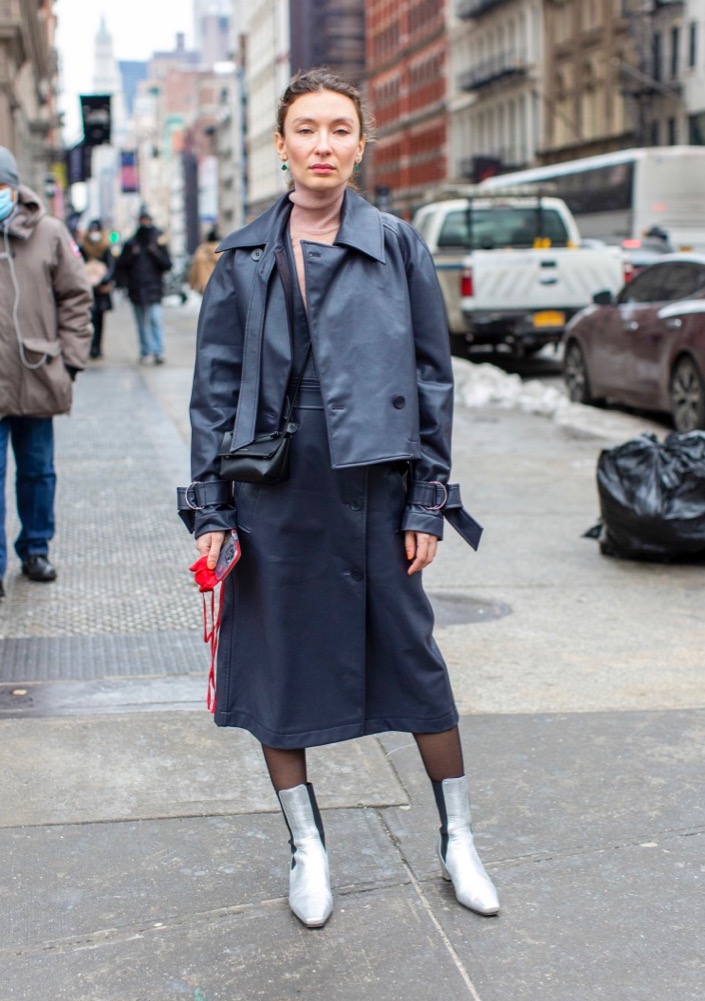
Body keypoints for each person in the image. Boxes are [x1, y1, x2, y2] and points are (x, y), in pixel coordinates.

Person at [178, 68, 499, 928]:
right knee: (275, 665)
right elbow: (212, 397)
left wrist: (427, 502)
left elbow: (433, 381)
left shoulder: (396, 243)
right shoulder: (244, 256)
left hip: (375, 483)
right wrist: (211, 512)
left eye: (339, 129)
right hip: (270, 491)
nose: (323, 145)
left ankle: (458, 837)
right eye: (306, 130)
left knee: (415, 661)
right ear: (279, 144)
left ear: (362, 143)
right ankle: (306, 846)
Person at [0, 146, 92, 595]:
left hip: (37, 374)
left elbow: (76, 298)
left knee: (38, 471)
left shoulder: (49, 232)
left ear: (14, 187)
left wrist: (71, 360)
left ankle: (36, 549)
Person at [115, 208, 171, 364]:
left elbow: (167, 264)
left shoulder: (158, 242)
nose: (145, 223)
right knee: (141, 322)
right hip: (136, 289)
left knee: (155, 319)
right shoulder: (131, 244)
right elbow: (121, 266)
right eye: (142, 220)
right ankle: (145, 350)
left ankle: (158, 350)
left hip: (154, 288)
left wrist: (156, 254)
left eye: (147, 220)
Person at [80, 219, 115, 359]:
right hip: (87, 288)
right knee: (88, 319)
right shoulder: (83, 248)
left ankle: (97, 347)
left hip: (101, 290)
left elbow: (111, 267)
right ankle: (89, 346)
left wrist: (105, 281)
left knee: (99, 319)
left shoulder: (105, 248)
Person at [187, 226, 220, 295]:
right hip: (219, 285)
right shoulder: (221, 251)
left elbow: (194, 269)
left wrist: (192, 284)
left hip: (203, 285)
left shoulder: (200, 251)